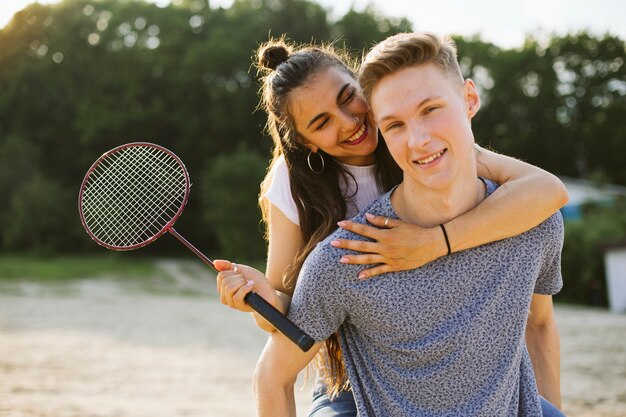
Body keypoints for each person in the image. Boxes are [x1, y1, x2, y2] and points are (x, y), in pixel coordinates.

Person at [216, 36, 568, 416]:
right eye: (322, 123)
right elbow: (297, 313)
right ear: (306, 142)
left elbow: (546, 191)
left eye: (348, 98)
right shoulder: (294, 185)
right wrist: (264, 302)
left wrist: (435, 242)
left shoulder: (427, 143)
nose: (350, 123)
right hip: (353, 378)